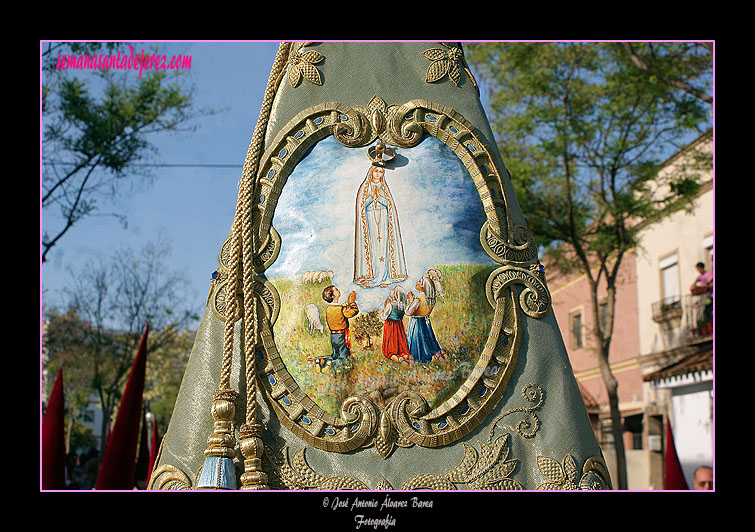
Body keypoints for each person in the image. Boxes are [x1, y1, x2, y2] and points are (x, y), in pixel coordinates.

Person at [353, 149, 407, 289]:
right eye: (376, 172)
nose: (379, 174)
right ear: (371, 173)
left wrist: (380, 198)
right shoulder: (365, 187)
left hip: (383, 219)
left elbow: (389, 205)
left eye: (381, 172)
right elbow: (361, 206)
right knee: (372, 248)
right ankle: (372, 276)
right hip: (370, 220)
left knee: (384, 248)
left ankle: (385, 276)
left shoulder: (384, 187)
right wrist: (371, 197)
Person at [405, 271, 445, 363]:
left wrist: (410, 300)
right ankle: (436, 354)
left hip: (416, 324)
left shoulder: (418, 299)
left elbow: (408, 312)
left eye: (419, 282)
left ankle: (418, 358)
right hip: (425, 323)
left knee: (417, 342)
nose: (417, 282)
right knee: (428, 341)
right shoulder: (430, 299)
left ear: (423, 286)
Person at [321, 285, 359, 368]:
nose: (338, 290)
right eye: (336, 290)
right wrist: (352, 302)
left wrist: (347, 303)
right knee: (343, 357)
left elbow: (341, 308)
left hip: (333, 336)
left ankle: (324, 361)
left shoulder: (329, 308)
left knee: (335, 354)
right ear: (333, 295)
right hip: (341, 336)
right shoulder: (340, 309)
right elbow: (352, 312)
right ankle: (332, 365)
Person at [379, 285, 411, 364]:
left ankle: (397, 359)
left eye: (393, 290)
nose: (391, 290)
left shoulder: (390, 305)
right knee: (400, 345)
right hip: (399, 326)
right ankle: (405, 356)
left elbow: (383, 317)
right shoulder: (403, 305)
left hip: (390, 326)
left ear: (396, 295)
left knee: (390, 349)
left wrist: (384, 308)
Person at [690, 261, 713, 328]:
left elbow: (711, 281)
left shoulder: (709, 273)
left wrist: (708, 284)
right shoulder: (699, 277)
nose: (698, 271)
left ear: (701, 268)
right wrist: (693, 287)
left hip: (712, 294)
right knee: (707, 311)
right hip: (708, 296)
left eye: (698, 269)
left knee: (710, 309)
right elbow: (694, 284)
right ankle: (709, 325)